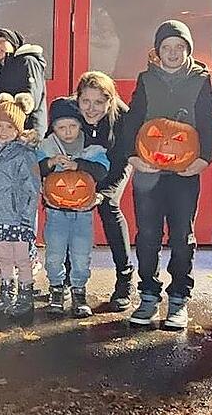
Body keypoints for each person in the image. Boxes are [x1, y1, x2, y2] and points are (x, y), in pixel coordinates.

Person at [119, 21, 212, 330]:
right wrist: (132, 156)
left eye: (178, 47)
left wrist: (203, 158)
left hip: (185, 171)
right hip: (149, 170)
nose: (172, 53)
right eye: (166, 48)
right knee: (147, 235)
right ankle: (148, 294)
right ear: (157, 52)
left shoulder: (201, 81)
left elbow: (207, 122)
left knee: (181, 236)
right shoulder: (147, 79)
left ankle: (178, 299)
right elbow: (133, 119)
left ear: (187, 49)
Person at [38, 98, 109, 318]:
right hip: (56, 212)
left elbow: (102, 170)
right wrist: (50, 163)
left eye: (73, 126)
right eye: (61, 127)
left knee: (80, 254)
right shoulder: (46, 146)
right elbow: (35, 169)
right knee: (54, 253)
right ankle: (57, 289)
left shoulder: (92, 147)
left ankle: (79, 291)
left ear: (80, 125)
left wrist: (78, 165)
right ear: (53, 127)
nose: (67, 132)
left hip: (83, 214)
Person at [73, 71, 134, 311]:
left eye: (99, 102)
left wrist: (102, 194)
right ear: (77, 99)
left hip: (114, 166)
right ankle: (68, 279)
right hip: (83, 166)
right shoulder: (69, 113)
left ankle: (125, 277)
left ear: (110, 101)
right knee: (70, 209)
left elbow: (120, 164)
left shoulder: (123, 119)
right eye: (85, 101)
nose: (91, 108)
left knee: (109, 207)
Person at [0, 93, 40, 318]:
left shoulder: (24, 155)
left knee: (23, 260)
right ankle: (7, 292)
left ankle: (26, 296)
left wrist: (26, 219)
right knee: (3, 258)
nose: (3, 131)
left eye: (9, 126)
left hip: (18, 218)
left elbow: (31, 188)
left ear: (18, 130)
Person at [0, 28, 47, 139]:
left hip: (27, 136)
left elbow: (29, 102)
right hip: (11, 136)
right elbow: (9, 100)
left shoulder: (27, 61)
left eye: (1, 42)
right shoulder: (4, 71)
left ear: (13, 43)